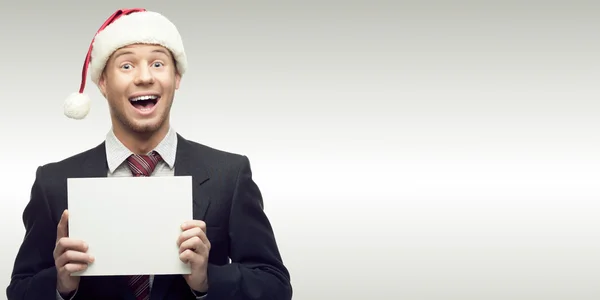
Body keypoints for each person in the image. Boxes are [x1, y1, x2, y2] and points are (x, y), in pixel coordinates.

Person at [6, 8, 292, 300]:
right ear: (103, 82)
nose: (144, 77)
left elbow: (276, 287)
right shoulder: (53, 182)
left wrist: (207, 280)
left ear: (177, 77)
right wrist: (60, 285)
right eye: (126, 66)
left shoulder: (229, 175)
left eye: (157, 63)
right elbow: (18, 290)